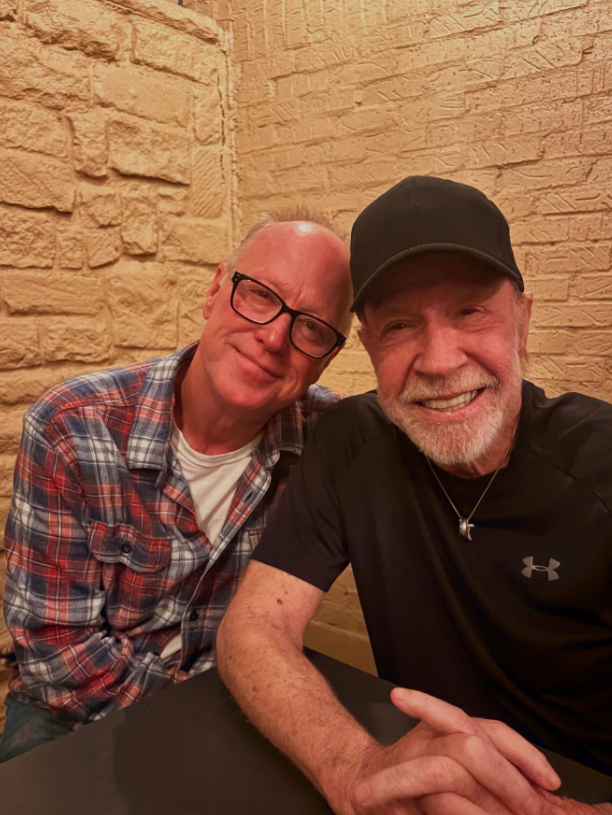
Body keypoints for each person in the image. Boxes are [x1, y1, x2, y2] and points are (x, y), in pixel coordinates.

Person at [217, 177, 612, 815]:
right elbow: (253, 627)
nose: (437, 358)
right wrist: (355, 768)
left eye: (469, 311)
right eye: (400, 325)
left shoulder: (601, 465)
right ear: (369, 346)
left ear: (523, 320)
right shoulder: (350, 442)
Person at [0, 209, 353, 762]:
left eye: (311, 326)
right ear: (215, 291)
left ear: (328, 357)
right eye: (260, 294)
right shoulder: (71, 426)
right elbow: (56, 653)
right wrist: (203, 722)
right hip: (70, 712)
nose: (274, 336)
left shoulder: (331, 440)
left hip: (236, 705)